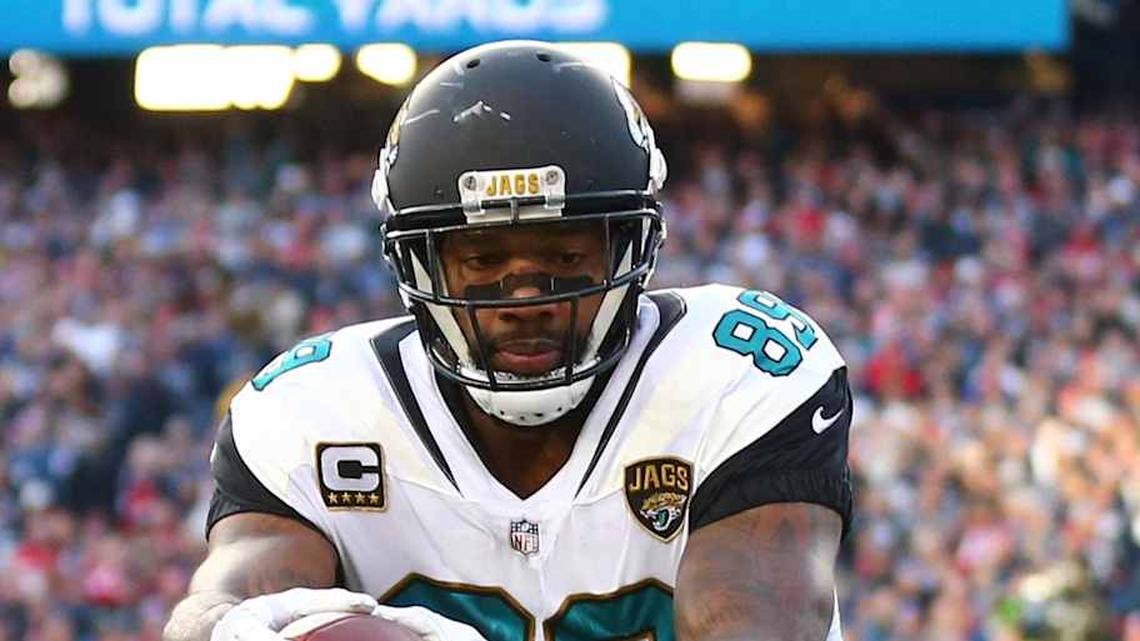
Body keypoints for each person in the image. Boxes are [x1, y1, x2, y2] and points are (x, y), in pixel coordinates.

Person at [163, 40, 854, 641]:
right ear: (419, 265)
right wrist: (232, 628)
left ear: (629, 248)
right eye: (483, 259)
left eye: (564, 256)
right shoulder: (311, 412)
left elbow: (751, 618)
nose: (525, 300)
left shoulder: (734, 377)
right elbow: (222, 601)